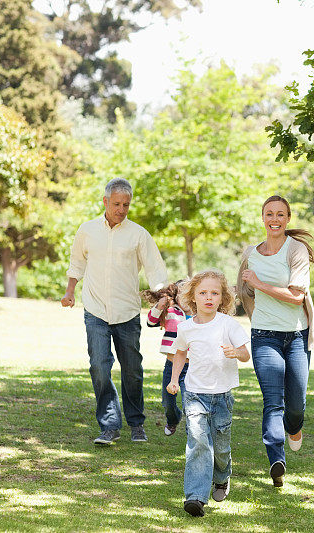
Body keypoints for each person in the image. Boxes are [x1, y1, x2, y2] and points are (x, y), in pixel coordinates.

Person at [61, 177, 168, 445]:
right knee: (99, 366)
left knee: (132, 369)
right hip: (95, 310)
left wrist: (163, 296)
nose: (122, 209)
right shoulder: (87, 230)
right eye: (117, 204)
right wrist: (70, 291)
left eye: (126, 205)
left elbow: (155, 268)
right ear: (106, 201)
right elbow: (77, 263)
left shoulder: (139, 234)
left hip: (127, 313)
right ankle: (109, 425)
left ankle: (136, 423)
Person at [236, 195, 314, 487]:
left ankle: (294, 429)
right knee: (273, 402)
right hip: (264, 336)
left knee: (296, 406)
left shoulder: (297, 251)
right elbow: (242, 292)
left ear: (287, 219)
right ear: (262, 218)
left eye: (280, 214)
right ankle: (276, 460)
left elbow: (297, 296)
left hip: (296, 336)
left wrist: (260, 285)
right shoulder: (250, 253)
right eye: (269, 214)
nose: (274, 219)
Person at [167, 270, 250, 517]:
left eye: (215, 293)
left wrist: (236, 353)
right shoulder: (186, 328)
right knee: (198, 443)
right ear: (193, 297)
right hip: (194, 394)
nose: (208, 297)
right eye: (202, 293)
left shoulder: (228, 325)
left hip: (222, 395)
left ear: (223, 297)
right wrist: (173, 380)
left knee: (221, 448)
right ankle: (195, 497)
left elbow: (246, 354)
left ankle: (222, 478)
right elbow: (180, 353)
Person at [142, 281, 190, 436]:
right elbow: (151, 321)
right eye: (181, 294)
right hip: (171, 365)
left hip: (192, 367)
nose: (184, 297)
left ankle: (193, 433)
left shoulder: (199, 313)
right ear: (175, 296)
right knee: (167, 402)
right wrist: (160, 305)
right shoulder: (171, 311)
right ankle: (173, 419)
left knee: (189, 402)